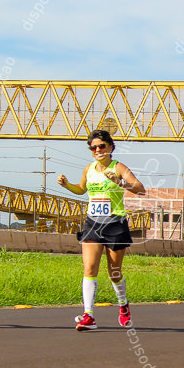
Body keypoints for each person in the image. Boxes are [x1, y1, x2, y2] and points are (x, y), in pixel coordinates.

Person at [56, 130, 146, 331]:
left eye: (102, 146)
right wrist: (66, 185)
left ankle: (123, 305)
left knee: (114, 272)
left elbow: (141, 189)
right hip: (93, 224)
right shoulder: (89, 169)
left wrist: (119, 182)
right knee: (89, 268)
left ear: (111, 147)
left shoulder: (119, 167)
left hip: (115, 223)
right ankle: (89, 316)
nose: (98, 150)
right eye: (93, 147)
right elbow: (81, 189)